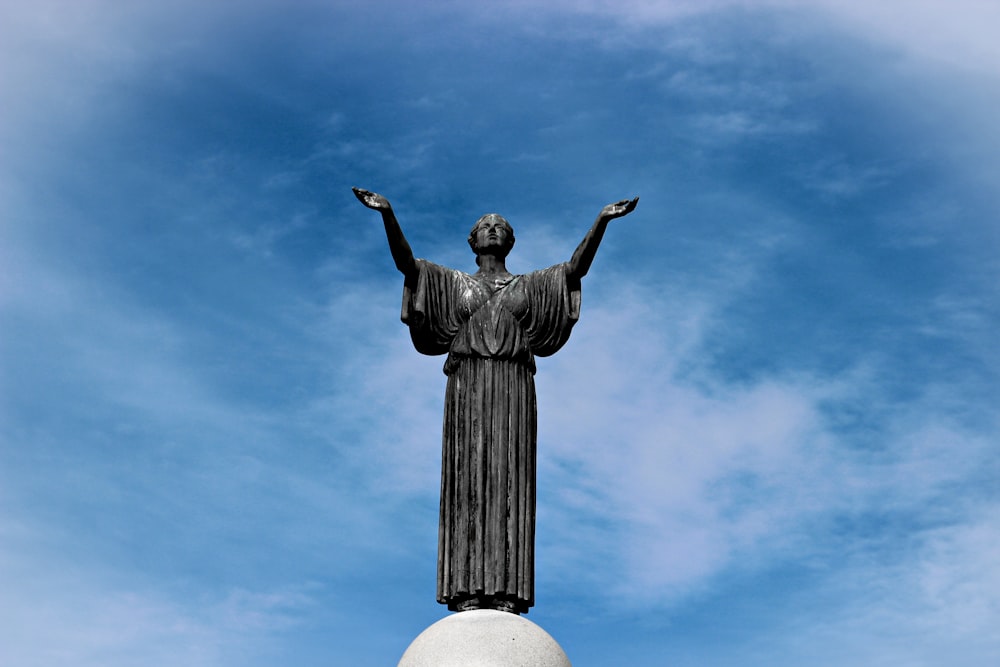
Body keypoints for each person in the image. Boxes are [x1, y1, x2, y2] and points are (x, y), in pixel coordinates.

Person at [353, 187, 638, 614]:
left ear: (510, 241)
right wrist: (387, 215)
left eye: (499, 226)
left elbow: (575, 270)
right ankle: (465, 588)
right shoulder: (450, 283)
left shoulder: (532, 285)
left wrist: (601, 221)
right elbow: (406, 266)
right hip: (467, 387)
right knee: (468, 481)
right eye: (484, 226)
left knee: (509, 482)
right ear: (472, 242)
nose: (491, 228)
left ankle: (507, 591)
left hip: (513, 390)